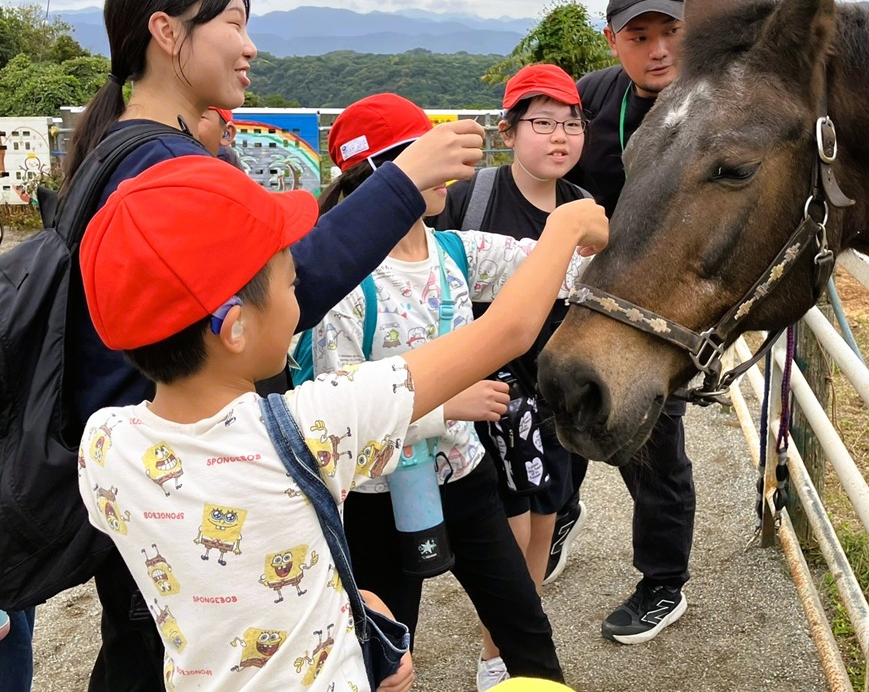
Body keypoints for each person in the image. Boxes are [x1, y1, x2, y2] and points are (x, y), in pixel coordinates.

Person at [62, 0, 486, 691]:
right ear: (167, 34)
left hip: (155, 475)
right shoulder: (161, 168)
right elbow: (289, 291)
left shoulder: (111, 149)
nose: (252, 44)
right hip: (195, 482)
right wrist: (403, 183)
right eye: (233, 21)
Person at [74, 153, 607, 689]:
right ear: (234, 329)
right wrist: (564, 224)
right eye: (291, 286)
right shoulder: (310, 426)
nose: (302, 300)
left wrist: (344, 595)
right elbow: (509, 330)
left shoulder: (103, 444)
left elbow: (225, 568)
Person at [310, 93, 583, 690]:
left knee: (523, 622)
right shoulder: (343, 287)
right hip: (376, 495)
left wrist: (587, 232)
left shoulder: (456, 251)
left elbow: (552, 267)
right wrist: (445, 406)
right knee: (386, 645)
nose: (457, 172)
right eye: (434, 156)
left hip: (463, 476)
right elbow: (333, 412)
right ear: (388, 173)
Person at [555, 0, 697, 646]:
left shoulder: (712, 100)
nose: (659, 49)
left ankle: (663, 582)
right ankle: (560, 516)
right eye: (640, 35)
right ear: (613, 40)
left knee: (653, 441)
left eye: (671, 31)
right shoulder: (588, 100)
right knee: (562, 408)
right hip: (586, 293)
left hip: (659, 309)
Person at [434, 64, 590, 591]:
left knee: (543, 528)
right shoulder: (470, 200)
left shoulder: (582, 209)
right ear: (509, 131)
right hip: (485, 399)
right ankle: (500, 649)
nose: (560, 138)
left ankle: (516, 649)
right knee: (502, 537)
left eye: (572, 124)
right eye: (543, 124)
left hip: (552, 398)